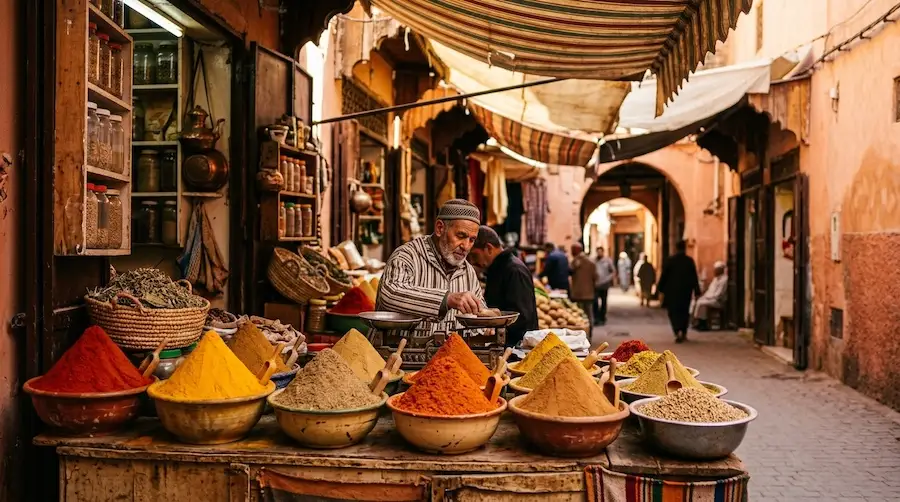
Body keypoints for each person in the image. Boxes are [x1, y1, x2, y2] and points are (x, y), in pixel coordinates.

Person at [376, 199, 487, 335]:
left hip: (446, 355)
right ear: (440, 228)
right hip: (399, 353)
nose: (466, 246)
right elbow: (389, 295)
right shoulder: (407, 256)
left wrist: (486, 324)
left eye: (472, 239)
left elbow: (479, 312)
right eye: (460, 235)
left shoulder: (468, 271)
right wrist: (447, 299)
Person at [467, 226, 538, 348]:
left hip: (517, 347)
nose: (473, 262)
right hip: (503, 344)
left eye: (474, 255)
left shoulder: (514, 270)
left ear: (488, 248)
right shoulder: (497, 269)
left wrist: (495, 325)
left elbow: (522, 317)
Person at [656, 240, 701, 343]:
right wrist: (697, 290)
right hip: (686, 291)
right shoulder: (689, 261)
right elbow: (694, 277)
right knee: (684, 311)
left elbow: (664, 276)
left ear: (675, 248)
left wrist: (659, 289)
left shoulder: (670, 261)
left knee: (673, 312)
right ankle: (683, 332)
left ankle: (677, 331)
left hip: (672, 292)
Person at [569, 243, 599, 328]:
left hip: (577, 293)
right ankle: (589, 333)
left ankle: (583, 334)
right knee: (589, 315)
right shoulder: (591, 262)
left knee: (579, 315)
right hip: (589, 293)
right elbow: (596, 277)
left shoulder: (575, 262)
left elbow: (570, 270)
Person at [693, 261, 728, 330]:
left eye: (716, 270)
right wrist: (705, 297)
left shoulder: (724, 280)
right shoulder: (715, 279)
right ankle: (699, 322)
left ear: (720, 270)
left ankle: (703, 323)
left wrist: (708, 298)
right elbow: (710, 290)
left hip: (718, 300)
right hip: (711, 298)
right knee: (698, 301)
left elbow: (719, 294)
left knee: (702, 303)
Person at [593, 247, 615, 325]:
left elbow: (613, 271)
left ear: (603, 252)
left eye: (600, 252)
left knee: (603, 302)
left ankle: (602, 317)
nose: (599, 253)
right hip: (596, 284)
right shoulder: (594, 261)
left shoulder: (607, 261)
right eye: (598, 252)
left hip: (604, 284)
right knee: (595, 301)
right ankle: (596, 317)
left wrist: (608, 278)